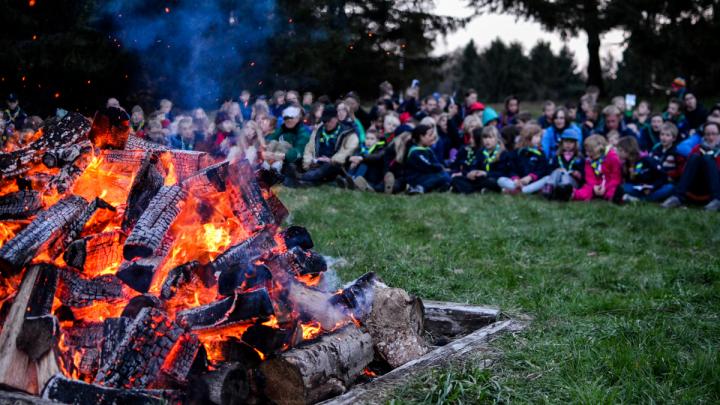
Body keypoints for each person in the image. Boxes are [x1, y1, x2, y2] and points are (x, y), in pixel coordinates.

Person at [661, 122, 720, 211]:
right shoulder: (697, 148)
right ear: (704, 136)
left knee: (707, 158)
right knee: (695, 156)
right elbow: (686, 170)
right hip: (694, 188)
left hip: (713, 188)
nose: (711, 137)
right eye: (707, 134)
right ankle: (678, 197)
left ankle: (717, 201)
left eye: (714, 134)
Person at [300, 106, 359, 186]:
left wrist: (331, 160)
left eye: (329, 120)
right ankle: (307, 179)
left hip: (334, 165)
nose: (326, 123)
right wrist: (309, 161)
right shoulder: (318, 130)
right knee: (299, 159)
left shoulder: (348, 133)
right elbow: (309, 147)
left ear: (337, 118)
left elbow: (347, 151)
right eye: (324, 121)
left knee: (329, 167)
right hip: (316, 163)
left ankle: (304, 177)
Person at [523, 128, 584, 199]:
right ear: (561, 143)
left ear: (575, 144)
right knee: (557, 171)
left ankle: (562, 191)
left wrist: (576, 173)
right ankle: (549, 188)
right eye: (566, 141)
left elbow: (583, 175)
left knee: (565, 176)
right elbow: (549, 170)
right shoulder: (557, 156)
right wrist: (557, 170)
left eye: (571, 142)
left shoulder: (579, 158)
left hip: (571, 183)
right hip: (557, 180)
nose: (568, 144)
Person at [451, 126, 513, 194]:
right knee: (457, 179)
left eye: (490, 137)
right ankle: (479, 190)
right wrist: (471, 173)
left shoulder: (503, 153)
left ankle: (473, 189)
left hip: (492, 178)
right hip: (479, 179)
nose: (487, 140)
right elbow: (474, 166)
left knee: (491, 182)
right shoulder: (481, 152)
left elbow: (503, 173)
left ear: (496, 139)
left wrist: (486, 173)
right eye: (485, 138)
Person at [616, 136, 673, 203]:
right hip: (639, 188)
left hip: (653, 187)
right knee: (625, 187)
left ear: (627, 151)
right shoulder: (626, 163)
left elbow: (663, 176)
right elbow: (631, 182)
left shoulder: (647, 160)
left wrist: (652, 187)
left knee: (670, 188)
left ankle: (641, 200)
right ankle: (645, 199)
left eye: (620, 150)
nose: (617, 153)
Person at [497, 123, 547, 194]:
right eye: (536, 136)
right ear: (527, 137)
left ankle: (522, 190)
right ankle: (521, 189)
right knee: (500, 180)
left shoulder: (540, 153)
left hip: (532, 182)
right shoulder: (517, 152)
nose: (539, 139)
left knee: (547, 178)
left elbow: (541, 170)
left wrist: (530, 177)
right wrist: (516, 179)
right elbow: (511, 169)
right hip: (518, 182)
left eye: (540, 137)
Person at [264, 106, 310, 177]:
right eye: (286, 118)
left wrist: (279, 156)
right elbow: (271, 139)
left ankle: (270, 169)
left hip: (295, 161)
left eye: (291, 117)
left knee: (282, 144)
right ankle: (266, 168)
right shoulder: (283, 127)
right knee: (273, 143)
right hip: (278, 156)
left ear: (297, 118)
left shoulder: (303, 133)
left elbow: (298, 151)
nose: (289, 120)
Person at [572, 134, 622, 202]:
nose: (587, 154)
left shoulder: (612, 157)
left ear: (599, 150)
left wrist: (606, 187)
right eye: (586, 151)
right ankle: (571, 194)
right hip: (595, 186)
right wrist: (594, 187)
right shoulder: (589, 161)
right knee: (586, 190)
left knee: (613, 190)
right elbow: (590, 177)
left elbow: (616, 177)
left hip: (609, 184)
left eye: (590, 151)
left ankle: (612, 198)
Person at [404, 125, 451, 194]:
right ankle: (418, 187)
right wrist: (441, 168)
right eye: (430, 135)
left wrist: (442, 168)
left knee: (447, 174)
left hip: (427, 176)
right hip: (416, 179)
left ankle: (441, 186)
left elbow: (436, 163)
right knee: (443, 176)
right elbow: (428, 166)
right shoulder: (415, 151)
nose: (433, 137)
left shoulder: (428, 149)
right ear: (421, 137)